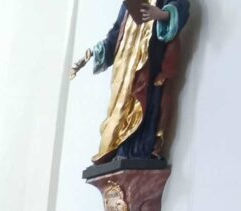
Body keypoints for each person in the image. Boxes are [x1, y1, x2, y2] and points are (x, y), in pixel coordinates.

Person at [70, 1, 191, 165]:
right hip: (124, 68)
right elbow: (116, 33)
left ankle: (136, 152)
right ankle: (118, 150)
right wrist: (94, 52)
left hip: (147, 63)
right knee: (119, 110)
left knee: (142, 104)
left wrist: (160, 14)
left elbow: (181, 6)